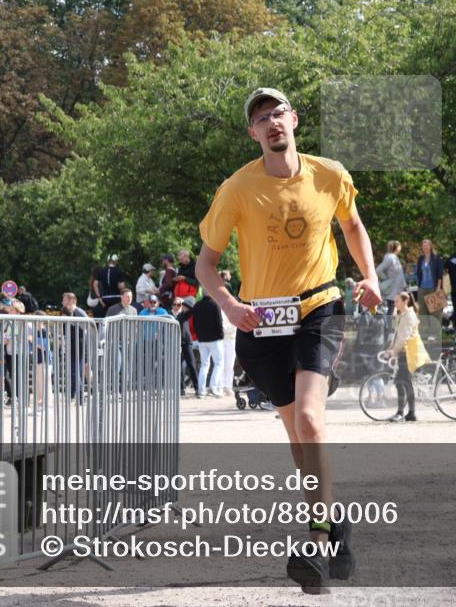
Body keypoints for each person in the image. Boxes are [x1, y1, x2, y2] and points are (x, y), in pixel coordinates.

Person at [195, 87, 380, 591]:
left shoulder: (330, 173)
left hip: (319, 306)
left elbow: (353, 225)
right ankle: (334, 523)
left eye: (278, 113)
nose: (272, 122)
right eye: (261, 118)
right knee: (300, 439)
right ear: (252, 133)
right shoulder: (236, 189)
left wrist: (371, 277)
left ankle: (316, 542)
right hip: (262, 322)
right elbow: (205, 264)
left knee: (309, 420)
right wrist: (230, 305)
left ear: (294, 119)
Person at [383, 292, 427, 422]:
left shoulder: (409, 316)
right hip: (404, 353)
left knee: (401, 381)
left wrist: (394, 351)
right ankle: (410, 413)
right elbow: (396, 334)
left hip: (410, 353)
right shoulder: (401, 315)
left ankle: (402, 413)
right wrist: (391, 348)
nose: (395, 303)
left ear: (405, 301)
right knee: (404, 382)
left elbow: (404, 337)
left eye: (397, 301)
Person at [193, 294, 225, 397]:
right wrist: (221, 335)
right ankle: (213, 387)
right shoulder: (215, 304)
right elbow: (219, 321)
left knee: (204, 365)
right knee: (219, 363)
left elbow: (195, 323)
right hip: (215, 339)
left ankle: (201, 391)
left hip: (202, 339)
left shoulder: (197, 305)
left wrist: (198, 336)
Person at [60, 292, 88, 401]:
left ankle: (80, 397)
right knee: (72, 371)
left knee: (77, 371)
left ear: (71, 301)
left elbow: (88, 326)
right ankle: (72, 395)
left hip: (79, 345)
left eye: (64, 299)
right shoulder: (66, 312)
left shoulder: (79, 312)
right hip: (71, 345)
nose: (62, 301)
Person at [414, 239, 445, 329]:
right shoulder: (420, 259)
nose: (425, 247)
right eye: (423, 246)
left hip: (434, 288)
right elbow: (418, 273)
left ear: (431, 246)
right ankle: (424, 333)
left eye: (427, 245)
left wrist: (438, 287)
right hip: (422, 288)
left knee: (435, 312)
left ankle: (435, 333)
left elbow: (440, 274)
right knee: (422, 312)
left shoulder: (436, 258)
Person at [174, 297, 199, 395]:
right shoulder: (176, 315)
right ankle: (182, 388)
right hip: (177, 343)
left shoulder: (185, 314)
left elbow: (193, 308)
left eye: (180, 305)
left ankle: (197, 388)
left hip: (186, 343)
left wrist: (185, 302)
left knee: (192, 364)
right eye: (176, 305)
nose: (181, 307)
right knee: (179, 366)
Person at [376, 241, 407, 316]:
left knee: (393, 311)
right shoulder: (390, 258)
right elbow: (378, 270)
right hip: (392, 291)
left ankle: (390, 327)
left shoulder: (393, 257)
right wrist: (386, 279)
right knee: (390, 311)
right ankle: (388, 327)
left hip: (395, 291)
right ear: (396, 248)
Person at [95, 254, 126, 318]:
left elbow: (95, 283)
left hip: (105, 298)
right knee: (116, 318)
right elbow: (122, 286)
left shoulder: (102, 271)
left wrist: (99, 297)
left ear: (108, 261)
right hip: (116, 298)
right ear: (116, 261)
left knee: (106, 317)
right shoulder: (119, 271)